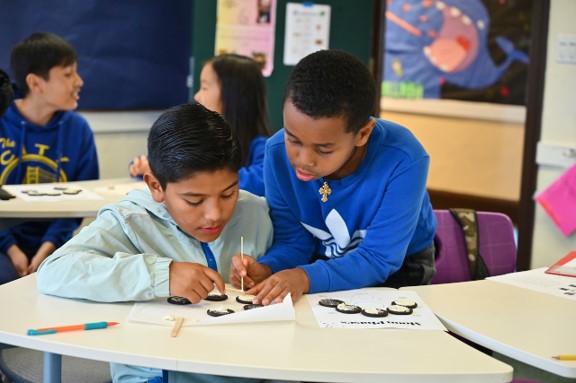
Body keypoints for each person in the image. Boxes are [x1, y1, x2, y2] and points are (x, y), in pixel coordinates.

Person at [37, 102, 274, 383]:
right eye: (194, 200)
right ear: (156, 186)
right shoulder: (130, 220)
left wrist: (269, 271)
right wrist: (162, 275)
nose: (215, 214)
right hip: (155, 375)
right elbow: (55, 270)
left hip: (246, 372)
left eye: (228, 193)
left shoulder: (255, 212)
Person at [229, 49, 438, 305]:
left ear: (362, 134)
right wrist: (268, 268)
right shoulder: (276, 154)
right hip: (318, 263)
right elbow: (293, 242)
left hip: (400, 265)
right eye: (293, 139)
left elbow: (380, 259)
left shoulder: (404, 159)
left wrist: (304, 277)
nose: (303, 160)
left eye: (323, 149)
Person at [0, 32, 99, 285]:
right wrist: (11, 247)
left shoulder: (78, 129)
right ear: (35, 83)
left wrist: (49, 247)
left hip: (57, 244)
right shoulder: (2, 120)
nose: (79, 82)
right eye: (67, 74)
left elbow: (81, 198)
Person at [130, 53, 273, 196]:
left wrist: (193, 173)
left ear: (233, 96)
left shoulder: (264, 147)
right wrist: (147, 166)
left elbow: (262, 182)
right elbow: (171, 161)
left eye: (204, 87)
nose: (196, 97)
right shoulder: (202, 139)